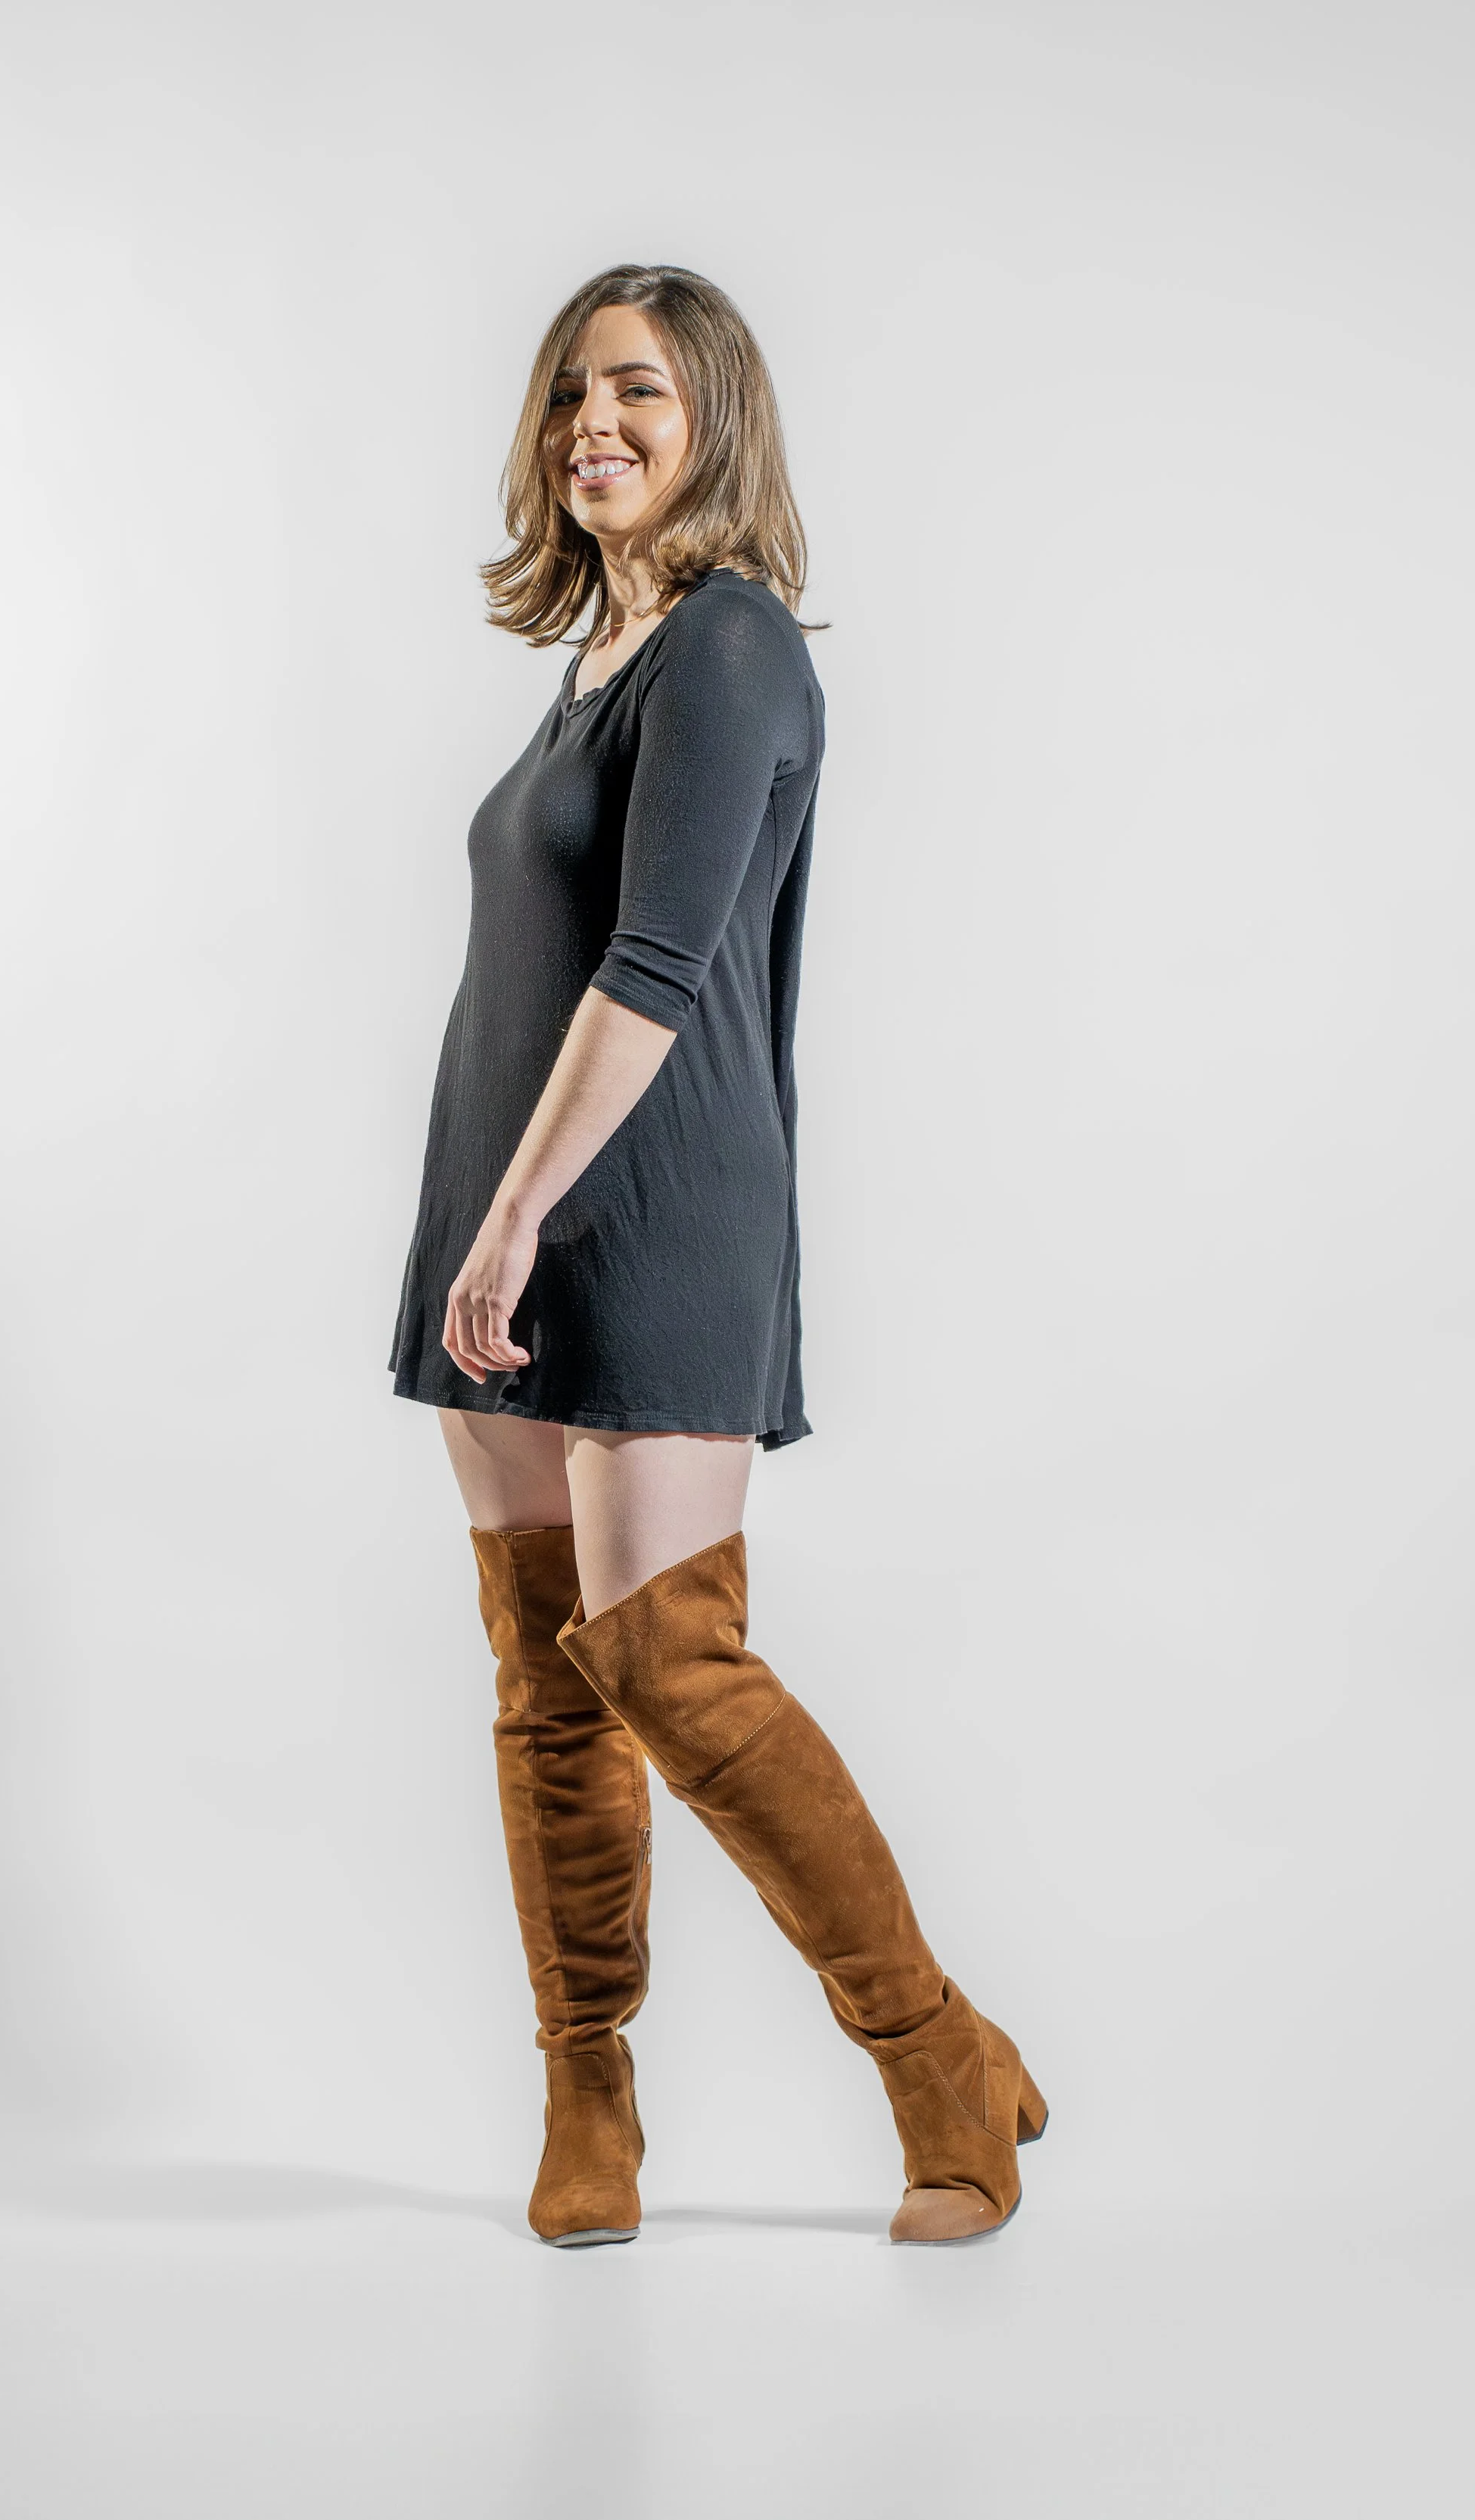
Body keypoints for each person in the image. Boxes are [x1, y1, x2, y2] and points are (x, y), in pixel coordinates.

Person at [387, 263, 1045, 2247]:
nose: (594, 420)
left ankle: (937, 2054)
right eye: (570, 389)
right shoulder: (594, 661)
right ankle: (589, 2092)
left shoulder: (733, 650)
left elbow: (658, 976)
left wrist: (518, 1218)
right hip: (490, 1207)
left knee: (670, 1657)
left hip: (651, 1215)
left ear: (718, 421)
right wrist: (476, 1212)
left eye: (640, 390)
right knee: (542, 1678)